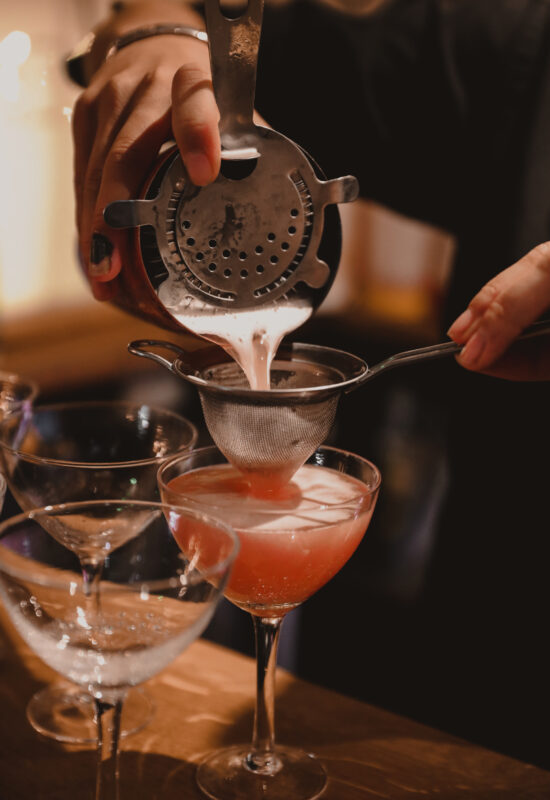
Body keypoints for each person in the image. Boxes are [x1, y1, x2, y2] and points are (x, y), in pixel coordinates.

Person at [69, 0, 550, 769]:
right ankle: (262, 755)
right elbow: (217, 17)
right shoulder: (525, 47)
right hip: (476, 669)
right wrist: (152, 37)